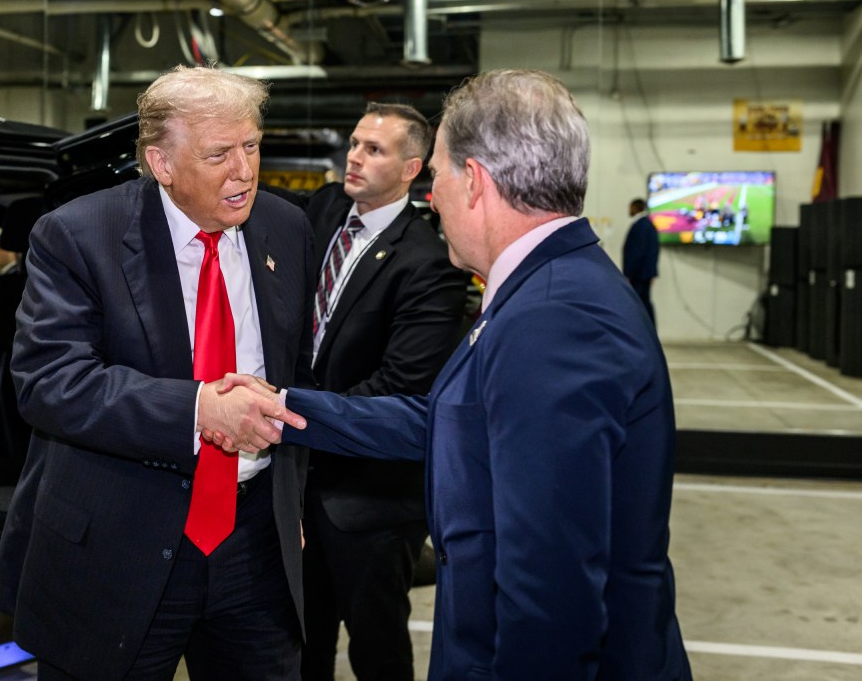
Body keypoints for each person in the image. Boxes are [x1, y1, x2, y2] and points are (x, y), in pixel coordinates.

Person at [218, 69, 692, 680]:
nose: (432, 196)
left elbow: (550, 586)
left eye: (436, 175)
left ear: (475, 182)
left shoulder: (554, 319)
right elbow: (449, 418)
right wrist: (282, 408)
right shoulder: (545, 287)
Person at [0, 63, 317, 681]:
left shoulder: (286, 226)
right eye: (220, 154)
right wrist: (198, 410)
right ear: (161, 163)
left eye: (252, 146)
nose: (244, 171)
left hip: (254, 545)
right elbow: (50, 381)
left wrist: (289, 502)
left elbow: (295, 370)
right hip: (120, 540)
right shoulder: (79, 234)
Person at [297, 103, 468, 681]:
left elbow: (402, 386)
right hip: (298, 487)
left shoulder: (429, 263)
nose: (354, 156)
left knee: (377, 652)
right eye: (353, 143)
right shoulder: (321, 210)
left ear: (411, 168)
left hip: (369, 501)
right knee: (300, 641)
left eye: (374, 149)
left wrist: (291, 418)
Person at [623, 196, 660, 324]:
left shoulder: (641, 226)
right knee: (644, 302)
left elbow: (637, 252)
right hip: (645, 273)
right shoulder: (649, 225)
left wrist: (629, 273)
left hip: (638, 274)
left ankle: (645, 331)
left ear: (636, 207)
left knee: (639, 303)